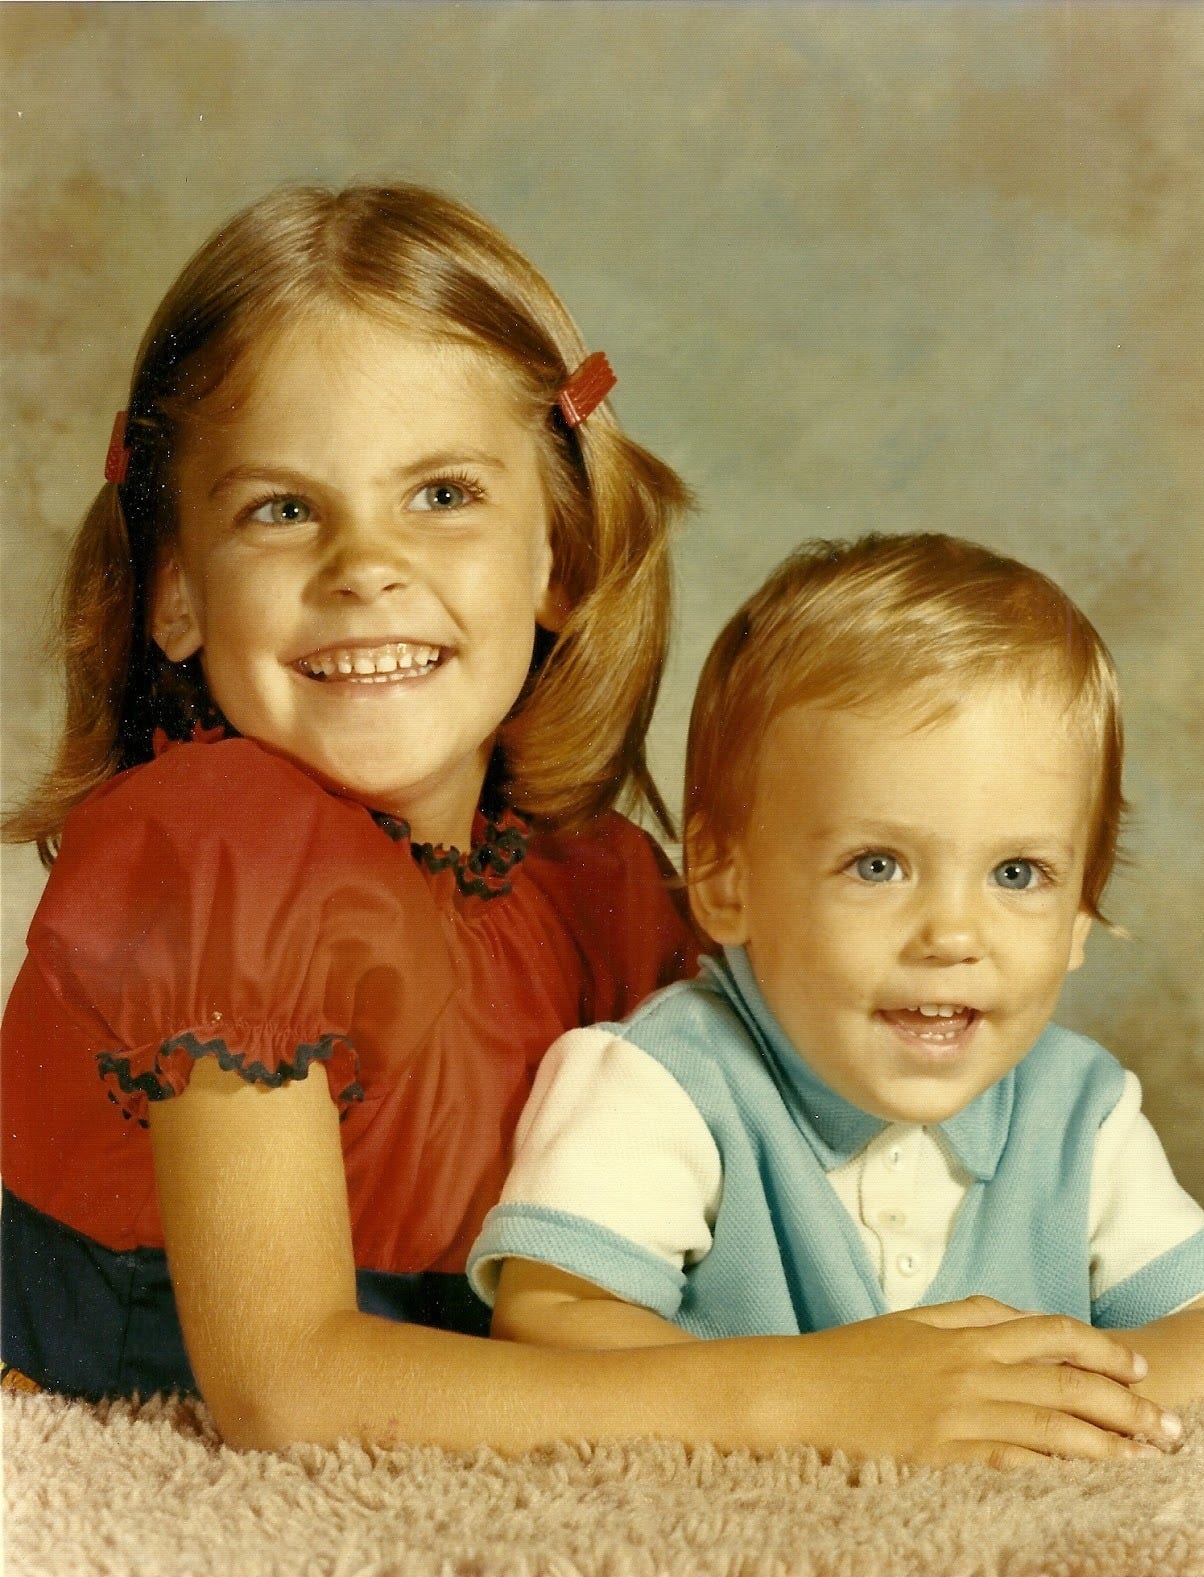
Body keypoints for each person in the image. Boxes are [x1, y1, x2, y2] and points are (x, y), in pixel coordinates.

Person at [0, 195, 1179, 1460]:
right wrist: (826, 1395)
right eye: (282, 509)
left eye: (442, 492)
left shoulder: (598, 883)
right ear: (176, 589)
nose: (364, 565)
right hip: (131, 1412)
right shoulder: (218, 842)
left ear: (558, 558)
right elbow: (286, 1388)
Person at [471, 532, 1204, 1461]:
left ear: (1078, 923)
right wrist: (820, 1401)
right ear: (726, 881)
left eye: (1018, 872)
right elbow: (552, 1328)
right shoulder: (667, 1081)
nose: (953, 934)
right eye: (878, 864)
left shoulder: (1082, 1111)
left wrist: (1034, 1397)